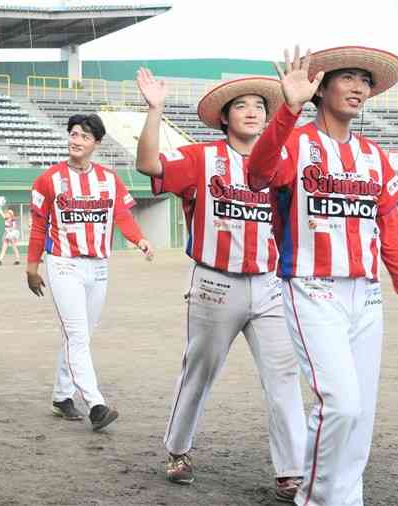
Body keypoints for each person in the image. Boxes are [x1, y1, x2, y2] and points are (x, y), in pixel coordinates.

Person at [246, 45, 398, 506]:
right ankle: (314, 499)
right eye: (348, 77)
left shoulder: (374, 156)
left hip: (366, 296)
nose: (358, 87)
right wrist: (287, 110)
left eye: (366, 81)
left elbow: (390, 232)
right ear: (322, 87)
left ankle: (346, 499)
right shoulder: (294, 143)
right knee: (341, 405)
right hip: (311, 288)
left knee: (361, 414)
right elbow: (257, 175)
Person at [134, 70, 306, 500]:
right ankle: (177, 449)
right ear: (224, 118)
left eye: (260, 106)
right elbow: (147, 165)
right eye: (242, 105)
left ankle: (292, 469)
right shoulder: (201, 157)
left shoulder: (282, 161)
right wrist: (155, 110)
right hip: (215, 282)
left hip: (268, 284)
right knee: (201, 369)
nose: (252, 112)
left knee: (283, 375)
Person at [27, 114, 154, 432]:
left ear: (96, 143)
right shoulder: (49, 179)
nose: (76, 140)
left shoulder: (110, 179)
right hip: (63, 263)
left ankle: (61, 396)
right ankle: (96, 404)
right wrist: (32, 267)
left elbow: (122, 216)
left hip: (98, 266)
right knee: (78, 335)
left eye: (84, 136)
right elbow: (39, 225)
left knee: (79, 335)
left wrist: (140, 240)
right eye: (72, 134)